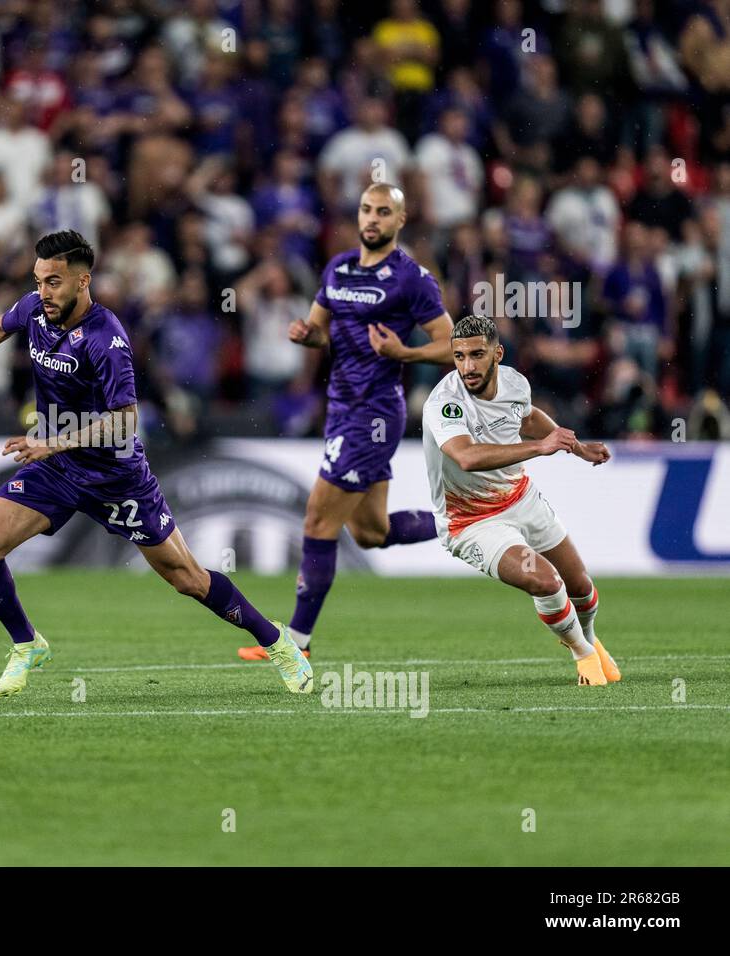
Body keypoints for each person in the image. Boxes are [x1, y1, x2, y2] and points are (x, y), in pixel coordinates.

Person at [0, 230, 314, 697]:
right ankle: (26, 644)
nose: (43, 292)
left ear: (84, 281)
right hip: (58, 470)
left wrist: (54, 442)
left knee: (189, 579)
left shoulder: (107, 339)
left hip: (116, 477)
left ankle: (278, 642)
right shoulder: (37, 310)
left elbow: (125, 421)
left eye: (54, 283)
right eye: (38, 281)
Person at [240, 182, 454, 661]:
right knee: (370, 533)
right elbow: (320, 330)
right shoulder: (338, 268)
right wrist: (306, 335)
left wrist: (406, 352)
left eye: (383, 212)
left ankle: (295, 643)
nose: (372, 219)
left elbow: (451, 342)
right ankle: (461, 520)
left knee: (318, 518)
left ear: (401, 221)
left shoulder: (411, 278)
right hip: (340, 408)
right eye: (366, 210)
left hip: (374, 413)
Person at [422, 315, 620, 685]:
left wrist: (577, 449)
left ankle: (589, 638)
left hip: (519, 497)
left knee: (580, 586)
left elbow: (527, 419)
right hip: (471, 522)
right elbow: (466, 456)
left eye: (477, 355)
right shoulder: (445, 404)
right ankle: (583, 653)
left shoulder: (515, 383)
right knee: (545, 581)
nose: (467, 366)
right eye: (459, 356)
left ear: (498, 353)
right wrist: (539, 449)